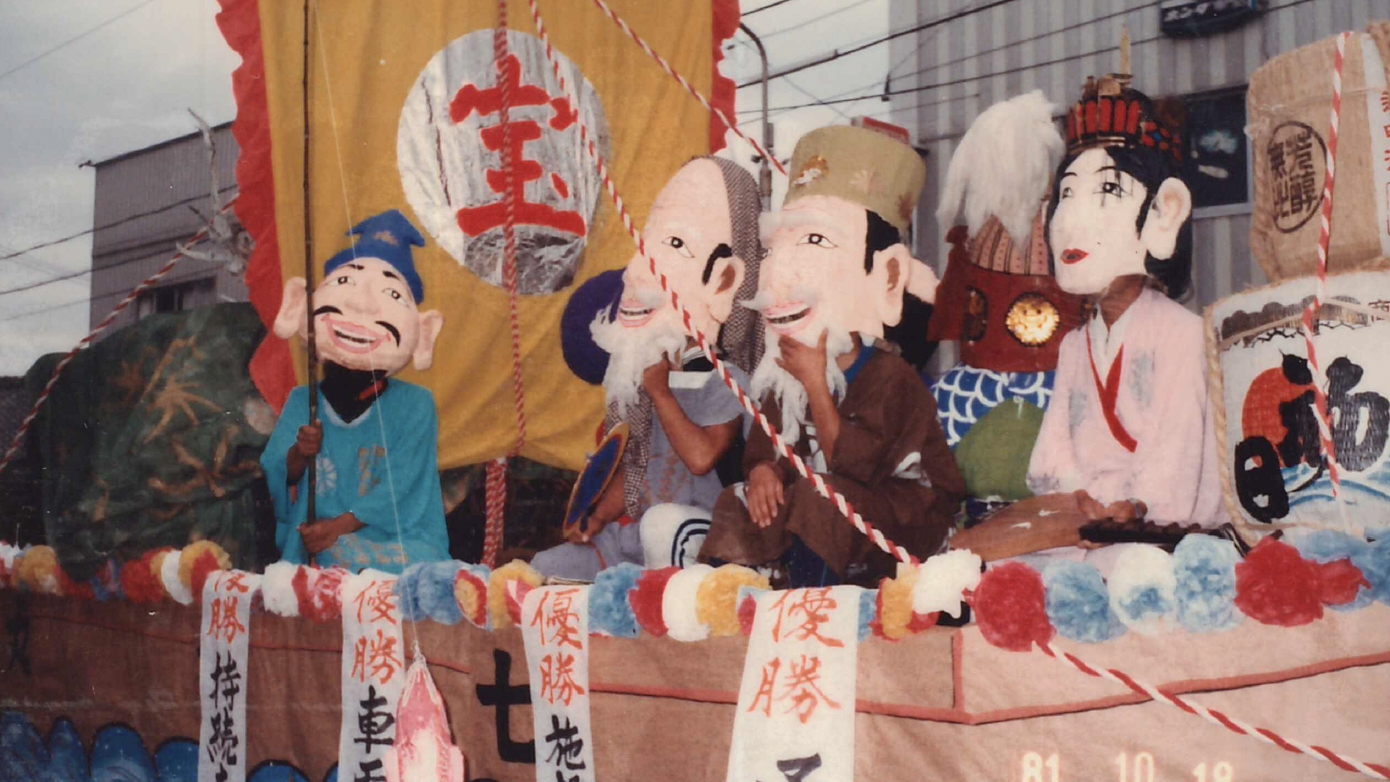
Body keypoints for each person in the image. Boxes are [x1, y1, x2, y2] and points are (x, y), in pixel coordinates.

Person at [700, 125, 964, 587]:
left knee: (822, 494)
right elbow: (767, 449)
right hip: (824, 509)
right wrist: (762, 472)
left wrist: (816, 384)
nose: (779, 274)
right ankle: (728, 603)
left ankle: (811, 605)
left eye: (815, 243)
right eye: (774, 250)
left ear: (885, 277)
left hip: (905, 521)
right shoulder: (783, 374)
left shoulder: (891, 376)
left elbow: (855, 466)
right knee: (737, 499)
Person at [1015, 74, 1227, 563]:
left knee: (1131, 570)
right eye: (1067, 194)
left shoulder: (1183, 334)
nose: (1070, 219)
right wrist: (1078, 499)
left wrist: (1134, 505)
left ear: (1163, 215)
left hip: (1160, 527)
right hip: (1085, 518)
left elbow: (1178, 453)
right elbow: (1054, 451)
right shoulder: (1075, 345)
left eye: (1109, 189)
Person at [530, 156, 764, 580]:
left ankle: (662, 611)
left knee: (662, 526)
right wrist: (597, 516)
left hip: (707, 530)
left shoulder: (727, 378)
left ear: (722, 282)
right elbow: (643, 469)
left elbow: (701, 457)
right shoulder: (654, 377)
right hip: (642, 529)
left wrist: (660, 393)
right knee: (546, 567)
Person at [260, 209, 450, 573]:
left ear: (422, 333)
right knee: (322, 562)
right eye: (346, 283)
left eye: (390, 294)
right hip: (318, 541)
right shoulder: (303, 400)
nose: (362, 305)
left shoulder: (416, 404)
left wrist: (338, 528)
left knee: (353, 561)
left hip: (401, 541)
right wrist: (300, 452)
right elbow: (279, 472)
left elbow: (404, 484)